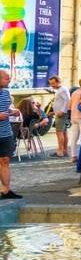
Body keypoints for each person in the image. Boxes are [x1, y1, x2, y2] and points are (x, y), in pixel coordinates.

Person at [0, 71, 20, 199]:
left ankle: (6, 190)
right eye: (7, 79)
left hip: (6, 132)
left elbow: (7, 109)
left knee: (5, 160)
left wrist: (13, 111)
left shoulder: (7, 93)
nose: (9, 81)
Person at [49, 75, 71, 158]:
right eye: (51, 84)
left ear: (59, 82)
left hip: (61, 114)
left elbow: (67, 101)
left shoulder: (62, 90)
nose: (52, 85)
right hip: (59, 113)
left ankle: (60, 151)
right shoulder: (60, 90)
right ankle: (64, 151)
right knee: (64, 132)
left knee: (59, 132)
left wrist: (62, 111)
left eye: (53, 83)